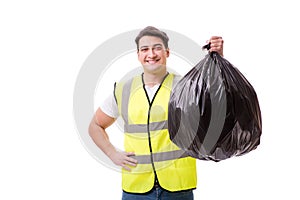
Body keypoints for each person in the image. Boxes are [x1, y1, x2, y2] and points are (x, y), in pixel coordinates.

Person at [88, 26, 224, 200]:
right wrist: (112, 153)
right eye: (145, 49)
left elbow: (219, 106)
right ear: (138, 55)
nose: (151, 54)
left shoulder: (186, 87)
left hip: (177, 188)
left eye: (157, 48)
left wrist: (217, 60)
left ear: (167, 52)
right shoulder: (124, 90)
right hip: (136, 189)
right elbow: (95, 125)